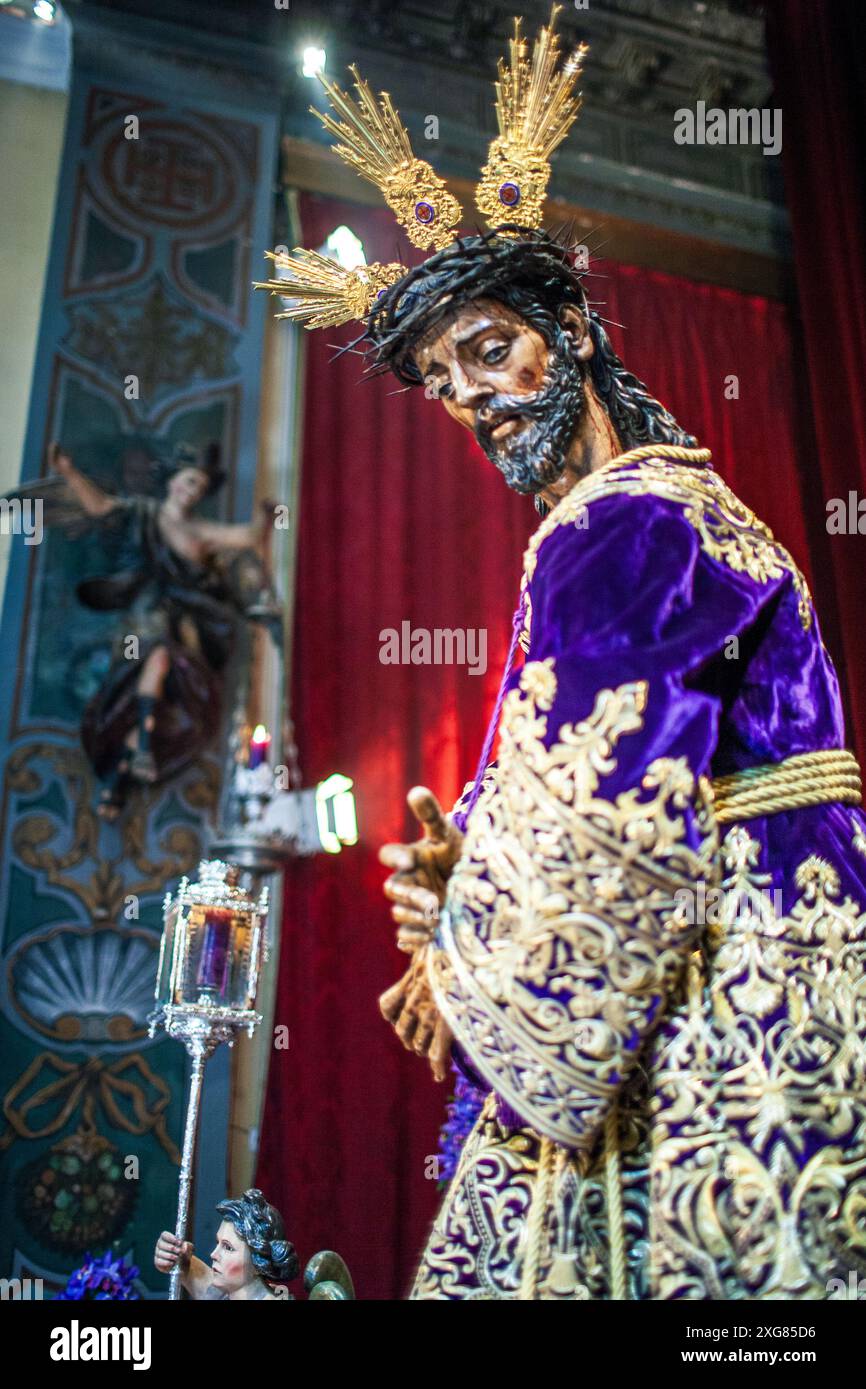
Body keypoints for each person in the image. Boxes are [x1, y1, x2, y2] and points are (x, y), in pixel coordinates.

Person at [259, 8, 866, 1300]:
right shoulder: (663, 505)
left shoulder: (624, 522)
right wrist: (463, 869)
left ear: (574, 333)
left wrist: (461, 964)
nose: (472, 398)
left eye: (489, 350)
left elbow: (608, 808)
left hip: (721, 1008)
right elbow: (607, 755)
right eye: (443, 381)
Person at [7, 440, 281, 816]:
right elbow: (99, 506)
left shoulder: (200, 530)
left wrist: (266, 519)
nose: (192, 491)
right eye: (189, 481)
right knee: (149, 663)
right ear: (172, 482)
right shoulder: (142, 513)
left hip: (183, 622)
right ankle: (136, 752)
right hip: (140, 621)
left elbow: (246, 537)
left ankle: (126, 768)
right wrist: (68, 471)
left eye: (200, 487)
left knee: (174, 687)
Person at [154, 1188, 298, 1300]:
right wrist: (178, 1258)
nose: (213, 1254)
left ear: (258, 1263)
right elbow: (205, 1284)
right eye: (218, 1243)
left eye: (228, 1247)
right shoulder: (227, 1293)